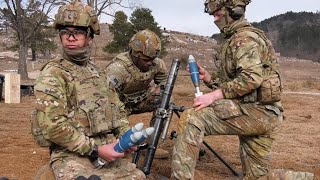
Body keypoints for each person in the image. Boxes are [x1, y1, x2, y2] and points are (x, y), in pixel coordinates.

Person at [171, 0, 285, 179]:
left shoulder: (243, 39)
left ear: (234, 12)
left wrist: (213, 96)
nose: (214, 19)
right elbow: (237, 82)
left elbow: (250, 79)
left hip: (256, 112)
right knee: (258, 178)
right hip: (263, 112)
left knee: (192, 118)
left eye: (217, 14)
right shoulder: (243, 36)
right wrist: (209, 78)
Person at [32, 1, 145, 179]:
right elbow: (53, 127)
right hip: (71, 156)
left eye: (77, 32)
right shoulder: (53, 73)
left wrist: (125, 136)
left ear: (90, 37)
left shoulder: (98, 73)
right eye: (65, 33)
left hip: (108, 151)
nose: (70, 37)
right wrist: (95, 149)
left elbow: (118, 110)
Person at [104, 29, 169, 159]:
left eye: (153, 59)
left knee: (165, 100)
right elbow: (109, 101)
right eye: (146, 59)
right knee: (114, 127)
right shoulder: (118, 69)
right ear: (136, 54)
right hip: (119, 105)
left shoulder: (157, 63)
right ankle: (120, 145)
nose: (150, 63)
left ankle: (151, 145)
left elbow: (163, 79)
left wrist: (159, 89)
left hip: (141, 101)